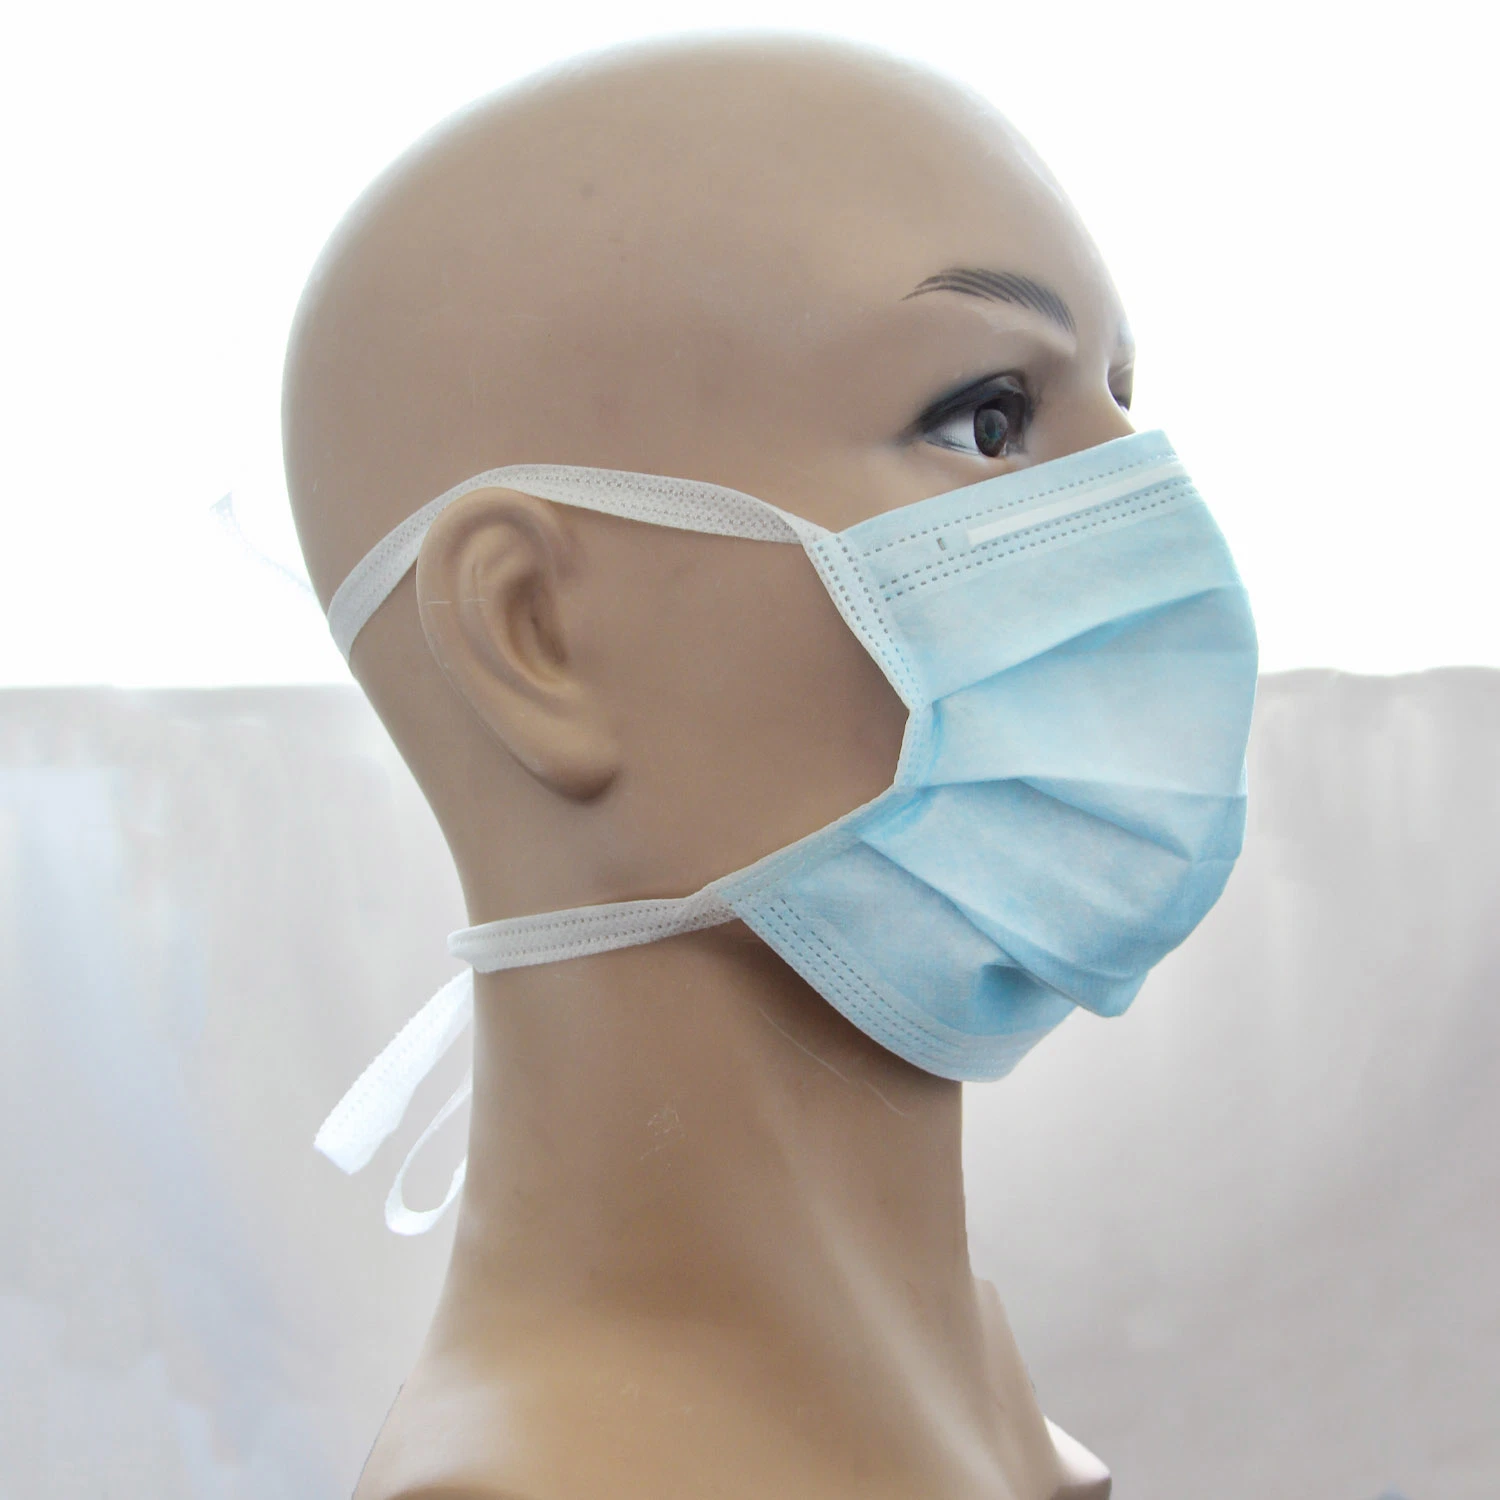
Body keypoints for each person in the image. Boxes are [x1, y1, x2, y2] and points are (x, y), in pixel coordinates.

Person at [284, 31, 1253, 1499]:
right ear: (535, 631)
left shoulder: (979, 1401)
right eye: (989, 419)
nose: (1146, 510)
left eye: (1119, 401)